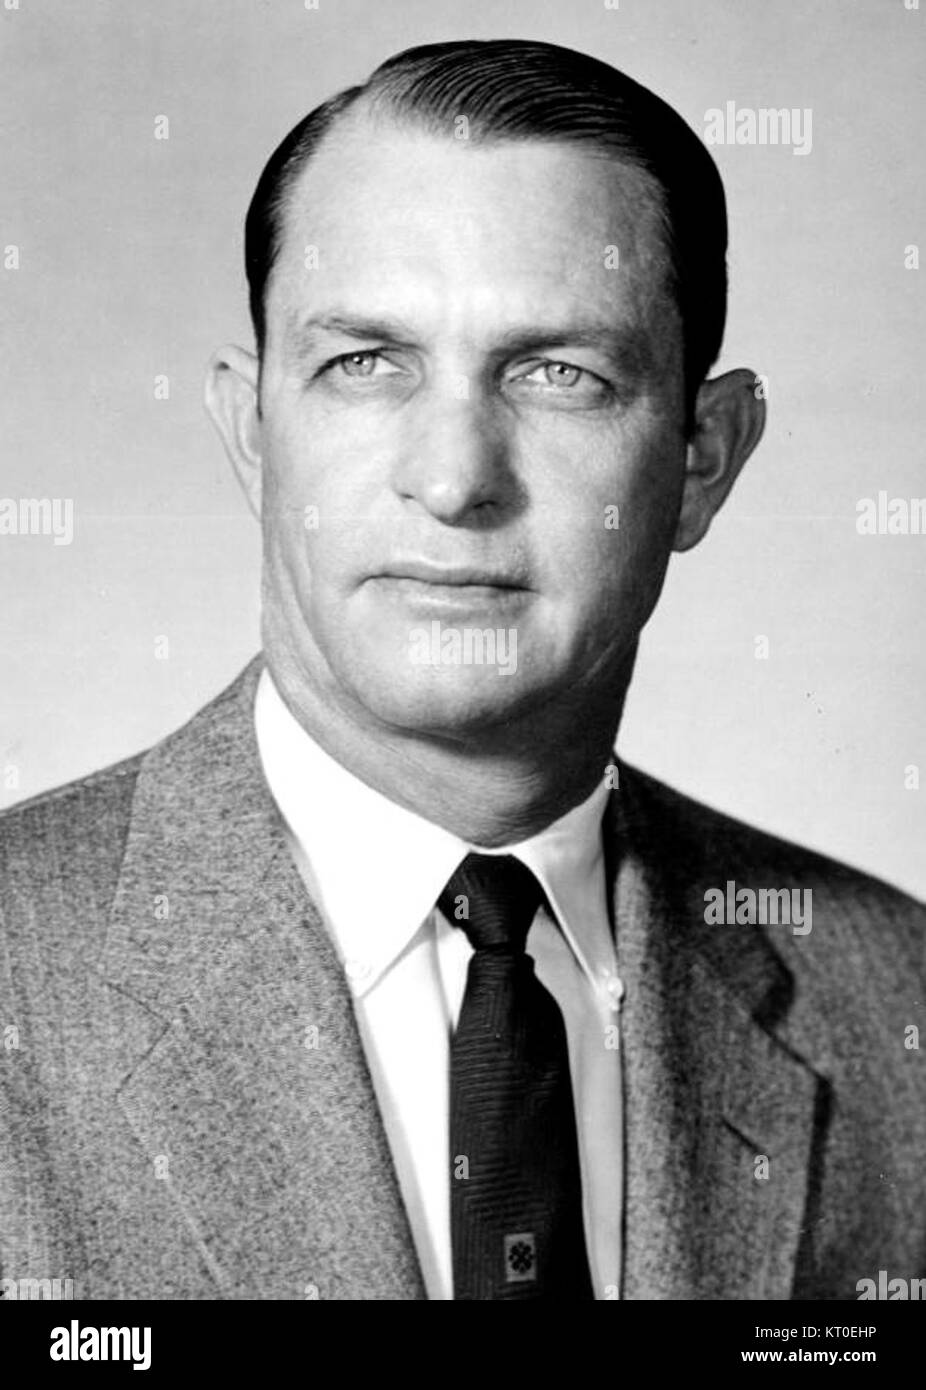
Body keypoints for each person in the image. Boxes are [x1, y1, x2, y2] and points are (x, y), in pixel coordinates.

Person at [1, 38, 923, 1303]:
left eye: (558, 375)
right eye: (365, 364)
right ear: (253, 432)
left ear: (701, 457)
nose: (452, 478)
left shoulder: (893, 1004)